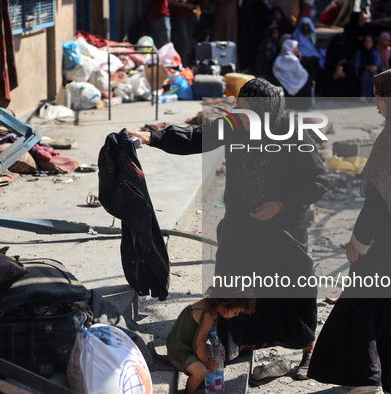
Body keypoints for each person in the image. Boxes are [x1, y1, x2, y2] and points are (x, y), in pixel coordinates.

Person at [129, 78, 329, 381]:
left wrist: (281, 205)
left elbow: (318, 181)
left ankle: (306, 348)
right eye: (240, 109)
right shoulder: (235, 125)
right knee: (232, 281)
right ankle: (234, 343)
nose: (242, 117)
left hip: (283, 226)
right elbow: (197, 137)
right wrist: (150, 137)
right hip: (241, 221)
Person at [307, 68, 391, 394]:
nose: (376, 102)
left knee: (362, 302)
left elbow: (378, 203)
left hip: (390, 238)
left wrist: (358, 242)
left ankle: (366, 380)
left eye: (379, 95)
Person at [167, 296, 256, 393]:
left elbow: (212, 332)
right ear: (225, 304)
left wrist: (217, 348)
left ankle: (201, 382)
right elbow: (199, 344)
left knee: (214, 360)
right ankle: (188, 392)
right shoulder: (207, 315)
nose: (236, 315)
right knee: (201, 371)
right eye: (235, 312)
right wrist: (206, 362)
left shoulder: (212, 306)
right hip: (180, 351)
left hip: (190, 345)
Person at [322, 33, 358, 97]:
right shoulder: (331, 50)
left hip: (345, 69)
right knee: (328, 72)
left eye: (341, 43)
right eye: (338, 42)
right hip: (333, 69)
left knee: (351, 71)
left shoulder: (348, 50)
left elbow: (352, 62)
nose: (340, 45)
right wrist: (337, 69)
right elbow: (328, 63)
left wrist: (342, 67)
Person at [169, 0, 197, 67]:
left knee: (189, 42)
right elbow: (171, 2)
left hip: (190, 16)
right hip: (180, 16)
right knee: (184, 42)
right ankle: (182, 64)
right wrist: (186, 5)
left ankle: (187, 64)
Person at [356, 34, 381, 100]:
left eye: (369, 42)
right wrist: (366, 67)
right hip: (362, 71)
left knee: (374, 74)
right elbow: (358, 65)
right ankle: (364, 95)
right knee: (365, 74)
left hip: (373, 71)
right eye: (366, 42)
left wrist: (374, 67)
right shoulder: (359, 52)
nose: (367, 44)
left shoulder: (375, 52)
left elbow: (378, 65)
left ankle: (373, 95)